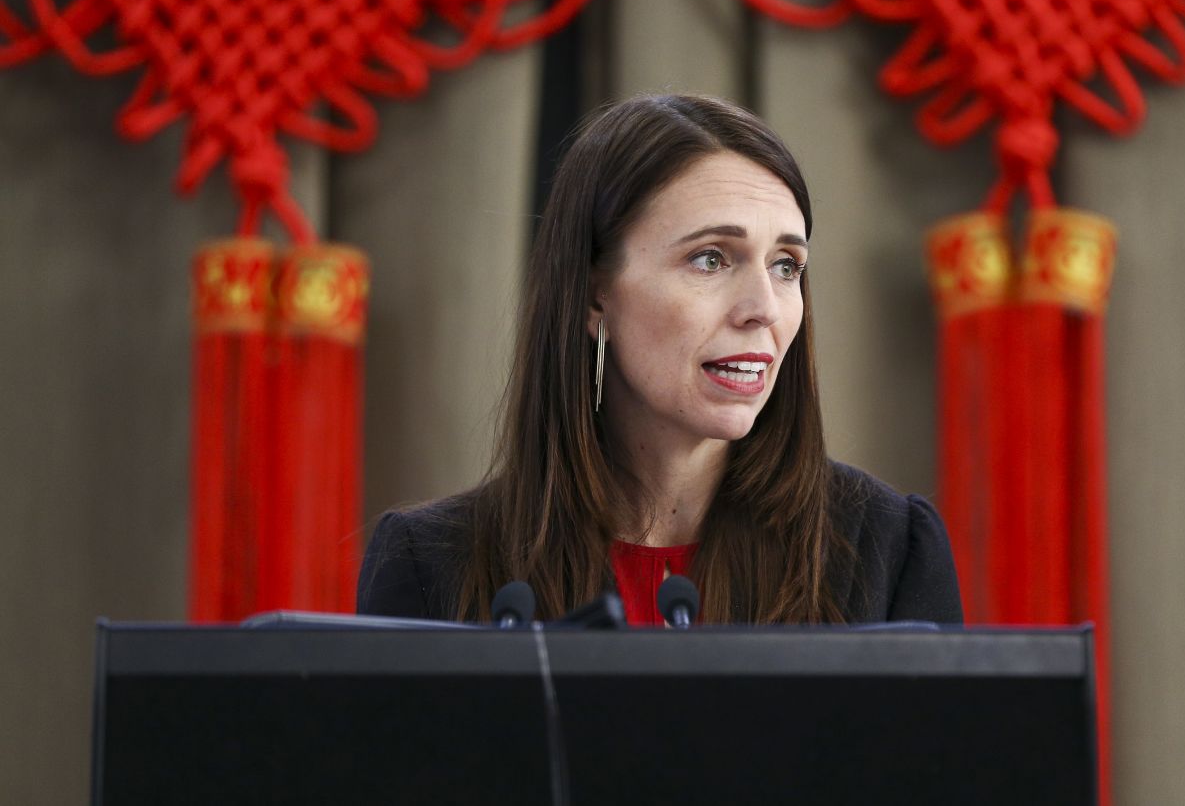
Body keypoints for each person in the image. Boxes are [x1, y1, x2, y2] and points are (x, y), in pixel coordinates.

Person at [357, 93, 962, 625]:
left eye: (786, 266)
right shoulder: (430, 562)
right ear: (595, 294)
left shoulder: (890, 549)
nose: (764, 309)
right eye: (710, 259)